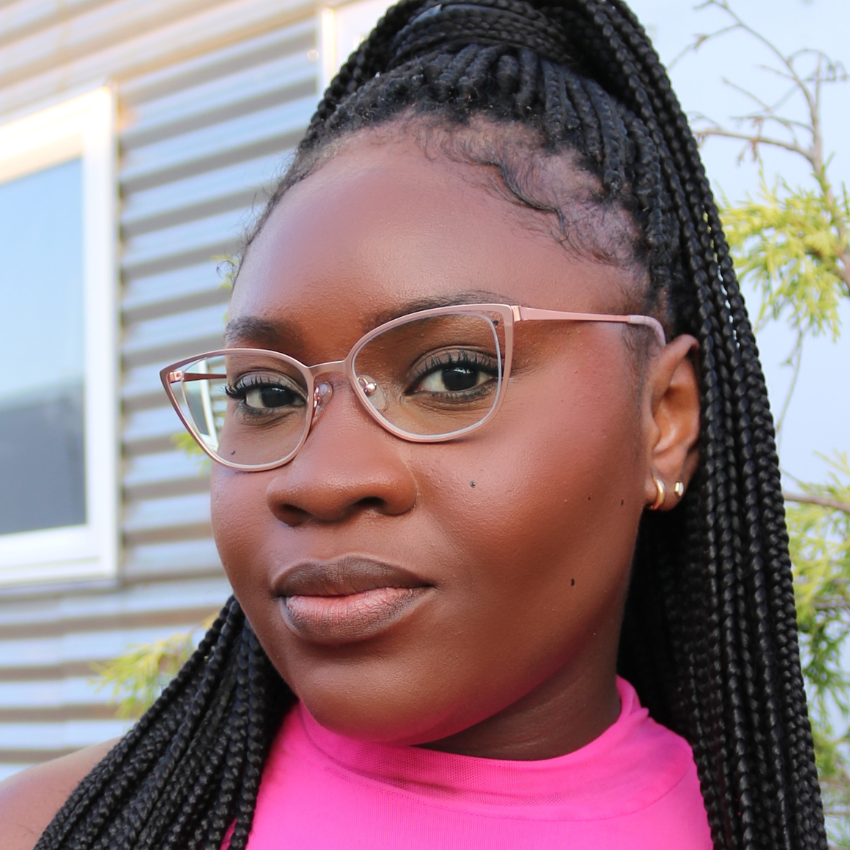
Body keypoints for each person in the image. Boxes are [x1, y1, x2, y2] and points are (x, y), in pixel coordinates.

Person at [0, 0, 829, 848]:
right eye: (267, 395)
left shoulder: (743, 825)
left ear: (663, 419)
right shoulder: (55, 830)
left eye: (453, 375)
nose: (319, 480)